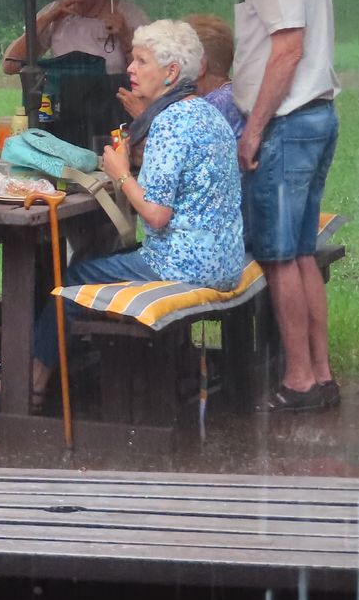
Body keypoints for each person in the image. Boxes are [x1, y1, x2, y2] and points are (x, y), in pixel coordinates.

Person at [29, 20, 247, 410]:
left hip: (185, 265)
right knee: (95, 258)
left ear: (171, 72)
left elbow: (157, 216)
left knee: (74, 277)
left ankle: (33, 384)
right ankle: (84, 366)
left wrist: (121, 173)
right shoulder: (205, 113)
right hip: (225, 260)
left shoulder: (169, 123)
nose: (130, 68)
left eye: (141, 60)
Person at [199, 0, 340, 413]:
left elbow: (287, 50)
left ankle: (301, 380)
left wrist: (252, 131)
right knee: (301, 254)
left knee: (281, 257)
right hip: (311, 120)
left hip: (287, 124)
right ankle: (320, 376)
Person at [0, 0, 151, 76]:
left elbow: (151, 72)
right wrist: (46, 19)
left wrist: (125, 37)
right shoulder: (55, 14)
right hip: (63, 104)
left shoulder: (127, 13)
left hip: (113, 104)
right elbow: (10, 65)